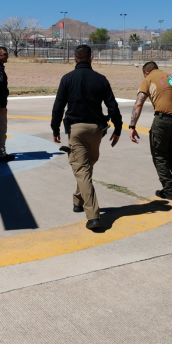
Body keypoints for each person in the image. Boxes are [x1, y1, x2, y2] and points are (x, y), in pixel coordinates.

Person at [51, 45, 122, 231]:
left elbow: (58, 106)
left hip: (76, 130)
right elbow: (112, 106)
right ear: (91, 58)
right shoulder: (101, 79)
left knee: (82, 169)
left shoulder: (67, 79)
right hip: (96, 130)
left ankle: (93, 216)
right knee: (86, 167)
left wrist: (55, 128)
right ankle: (77, 200)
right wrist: (118, 128)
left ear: (75, 59)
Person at [129, 61, 172, 200]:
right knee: (171, 149)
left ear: (146, 72)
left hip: (164, 119)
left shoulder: (148, 79)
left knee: (159, 154)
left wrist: (132, 126)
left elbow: (139, 102)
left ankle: (169, 190)